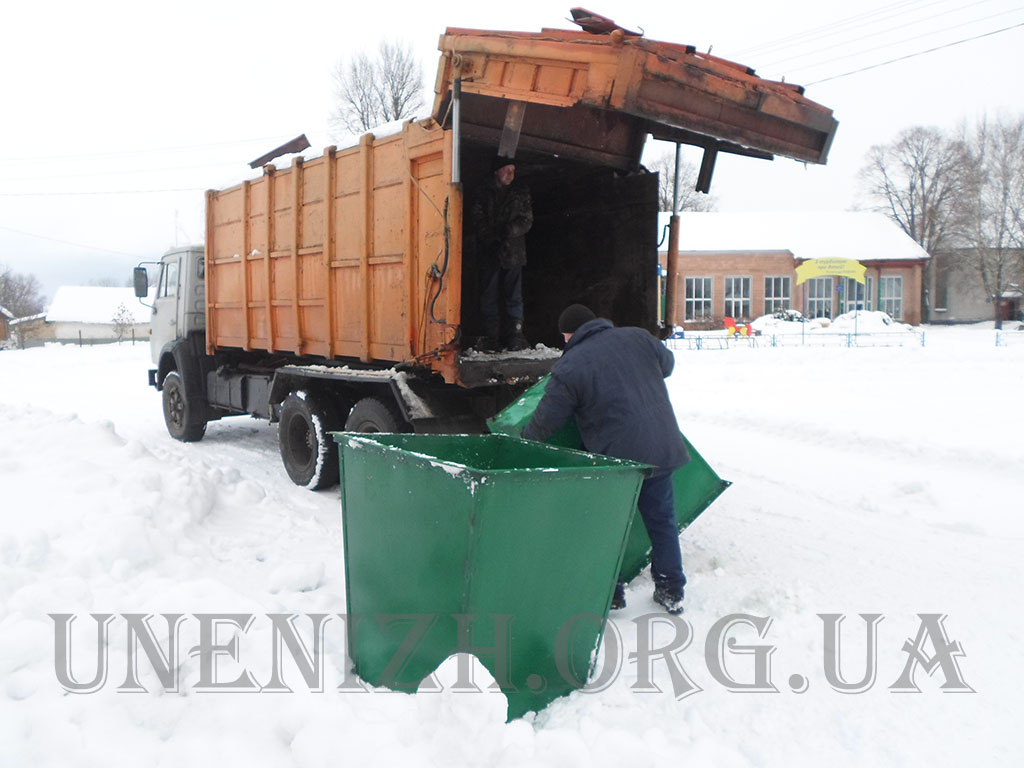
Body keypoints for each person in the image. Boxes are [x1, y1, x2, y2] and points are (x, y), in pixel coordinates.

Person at [522, 304, 690, 614]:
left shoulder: (570, 366)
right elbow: (666, 365)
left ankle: (611, 593)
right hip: (661, 446)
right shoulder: (639, 338)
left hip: (619, 462)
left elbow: (547, 419)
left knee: (608, 526)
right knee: (662, 522)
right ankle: (671, 590)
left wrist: (522, 444)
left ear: (569, 334)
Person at [471, 154, 533, 352]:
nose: (510, 174)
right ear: (497, 171)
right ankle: (491, 338)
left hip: (513, 253)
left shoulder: (520, 193)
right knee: (489, 296)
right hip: (490, 251)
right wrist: (491, 237)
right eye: (507, 170)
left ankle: (515, 336)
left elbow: (526, 220)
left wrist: (507, 232)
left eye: (513, 171)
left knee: (514, 296)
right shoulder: (482, 192)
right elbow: (476, 220)